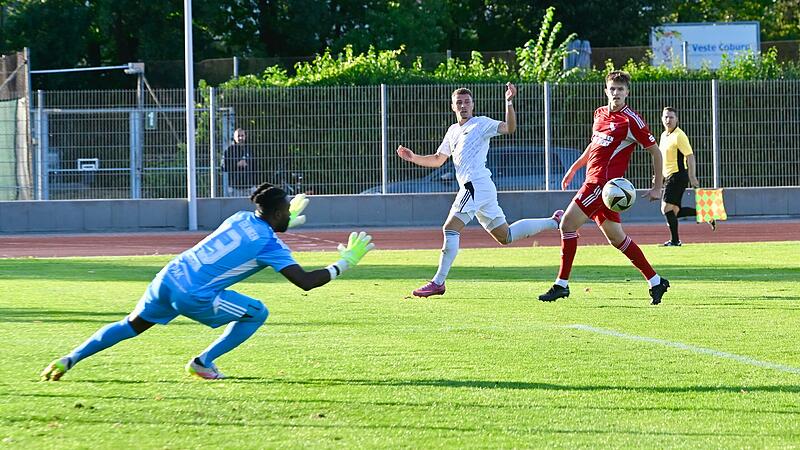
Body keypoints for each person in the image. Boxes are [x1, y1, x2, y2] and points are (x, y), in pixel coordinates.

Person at [40, 183, 375, 381]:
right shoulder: (270, 244)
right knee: (256, 313)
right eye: (286, 210)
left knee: (132, 324)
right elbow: (304, 281)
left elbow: (254, 232)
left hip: (170, 275)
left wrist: (285, 219)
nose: (290, 214)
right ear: (275, 214)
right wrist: (344, 263)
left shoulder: (241, 217)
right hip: (194, 294)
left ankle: (69, 358)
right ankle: (203, 363)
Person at [396, 83, 563, 298]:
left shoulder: (481, 124)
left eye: (467, 102)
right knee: (506, 236)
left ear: (473, 105)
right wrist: (413, 157)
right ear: (452, 107)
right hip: (481, 188)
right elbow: (438, 160)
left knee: (450, 228)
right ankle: (554, 221)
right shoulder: (453, 131)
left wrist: (509, 102)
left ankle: (438, 282)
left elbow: (509, 128)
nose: (463, 106)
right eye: (459, 103)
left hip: (475, 185)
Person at [538, 70, 670, 305]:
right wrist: (575, 167)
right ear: (606, 90)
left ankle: (561, 285)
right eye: (612, 88)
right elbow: (594, 145)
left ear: (627, 92)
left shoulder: (631, 120)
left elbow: (655, 151)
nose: (616, 93)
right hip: (597, 185)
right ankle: (655, 280)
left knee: (567, 224)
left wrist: (657, 186)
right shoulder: (599, 114)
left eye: (621, 89)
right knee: (617, 239)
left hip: (602, 186)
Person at [659, 106, 715, 246]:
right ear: (662, 118)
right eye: (666, 117)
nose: (668, 120)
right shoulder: (663, 136)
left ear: (677, 119)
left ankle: (675, 241)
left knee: (665, 208)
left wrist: (692, 176)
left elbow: (689, 156)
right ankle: (705, 213)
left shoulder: (679, 135)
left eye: (671, 117)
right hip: (669, 176)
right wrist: (658, 175)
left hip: (677, 176)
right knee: (674, 212)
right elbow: (663, 158)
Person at [223, 128, 259, 196]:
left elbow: (256, 167)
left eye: (242, 135)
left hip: (250, 187)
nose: (240, 138)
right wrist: (236, 164)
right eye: (238, 136)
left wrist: (256, 184)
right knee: (235, 206)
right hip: (235, 188)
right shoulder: (229, 150)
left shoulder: (250, 149)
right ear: (234, 137)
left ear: (245, 136)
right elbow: (223, 167)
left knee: (252, 206)